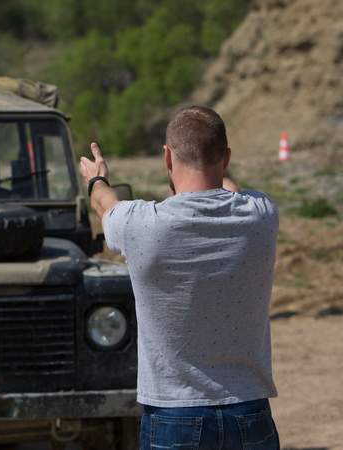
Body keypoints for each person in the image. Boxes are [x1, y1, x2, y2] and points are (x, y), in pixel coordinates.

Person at [79, 106, 280, 450]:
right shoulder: (260, 214)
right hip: (248, 408)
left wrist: (97, 177)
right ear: (226, 157)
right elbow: (231, 190)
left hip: (174, 414)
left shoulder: (142, 224)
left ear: (167, 158)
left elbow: (104, 203)